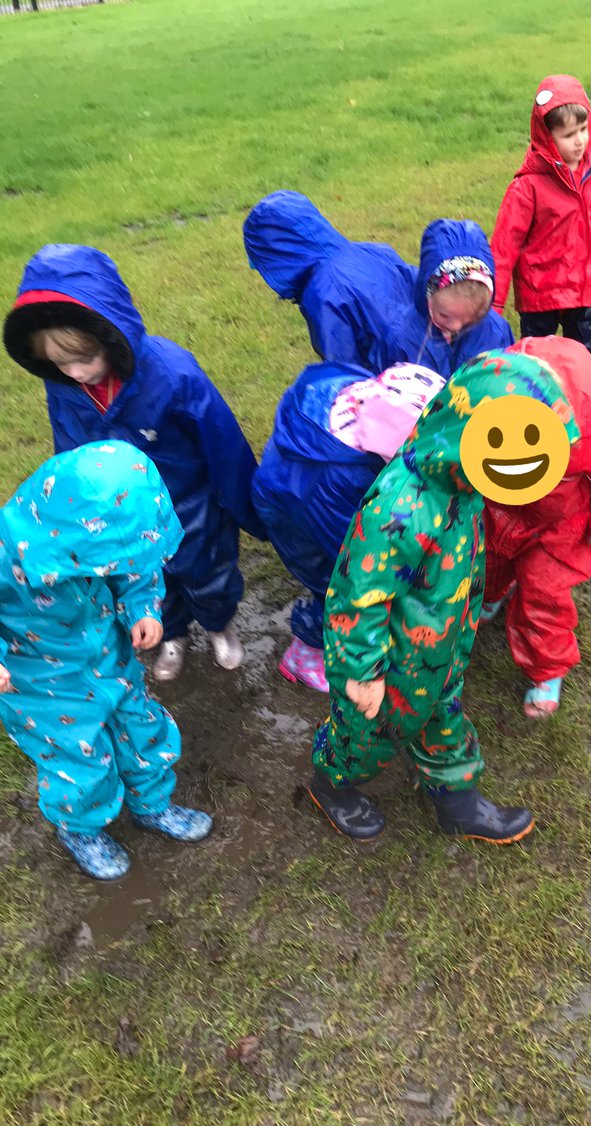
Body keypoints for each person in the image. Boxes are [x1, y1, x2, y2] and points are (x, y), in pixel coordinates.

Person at [305, 348, 579, 844]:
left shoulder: (463, 482)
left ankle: (456, 799)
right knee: (363, 737)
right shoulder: (402, 508)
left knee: (443, 712)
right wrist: (362, 672)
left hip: (440, 647)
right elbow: (356, 598)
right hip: (388, 663)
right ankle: (331, 785)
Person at [3, 244, 266, 684]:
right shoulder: (66, 389)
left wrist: (245, 504)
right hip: (122, 517)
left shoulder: (172, 372)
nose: (76, 372)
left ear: (109, 337)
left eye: (84, 358)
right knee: (144, 576)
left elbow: (221, 441)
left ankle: (220, 624)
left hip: (188, 505)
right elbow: (69, 455)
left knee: (207, 571)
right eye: (61, 363)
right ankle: (173, 635)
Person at [0, 441, 213, 880]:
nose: (111, 566)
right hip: (42, 682)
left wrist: (143, 609)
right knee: (78, 761)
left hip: (110, 659)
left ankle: (152, 805)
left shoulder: (114, 538)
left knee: (140, 727)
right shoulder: (10, 554)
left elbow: (135, 568)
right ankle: (80, 828)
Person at [481, 337, 591, 717]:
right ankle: (491, 593)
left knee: (545, 595)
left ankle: (547, 669)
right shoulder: (491, 404)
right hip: (500, 507)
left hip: (558, 525)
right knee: (487, 559)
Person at [252, 360, 445, 690]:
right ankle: (305, 652)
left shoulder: (357, 395)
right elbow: (354, 559)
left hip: (297, 483)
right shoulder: (337, 482)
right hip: (294, 514)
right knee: (336, 585)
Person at [243, 190, 513, 375]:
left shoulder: (320, 293)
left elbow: (342, 364)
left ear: (275, 260)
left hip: (399, 362)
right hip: (423, 338)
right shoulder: (370, 249)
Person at [491, 75, 591, 367]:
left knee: (589, 352)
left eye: (583, 129)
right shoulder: (527, 187)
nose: (579, 141)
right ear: (546, 136)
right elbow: (504, 246)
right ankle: (539, 404)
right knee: (538, 359)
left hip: (581, 286)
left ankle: (589, 400)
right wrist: (494, 304)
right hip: (540, 290)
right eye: (568, 135)